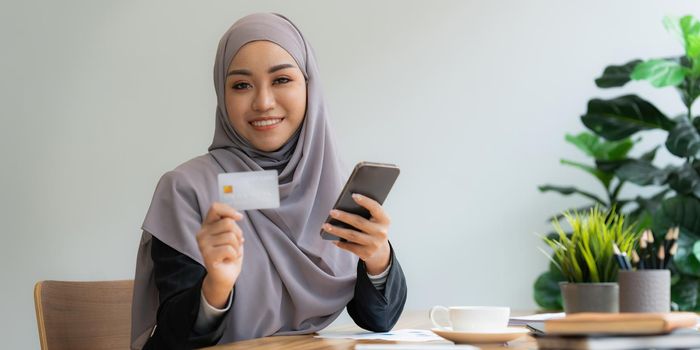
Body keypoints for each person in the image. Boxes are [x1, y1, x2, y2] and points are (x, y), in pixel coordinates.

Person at [130, 13, 407, 350]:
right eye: (241, 85)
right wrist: (216, 286)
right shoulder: (187, 190)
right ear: (222, 92)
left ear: (310, 86)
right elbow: (172, 340)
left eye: (281, 80)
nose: (262, 102)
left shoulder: (328, 185)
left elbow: (378, 320)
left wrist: (377, 258)